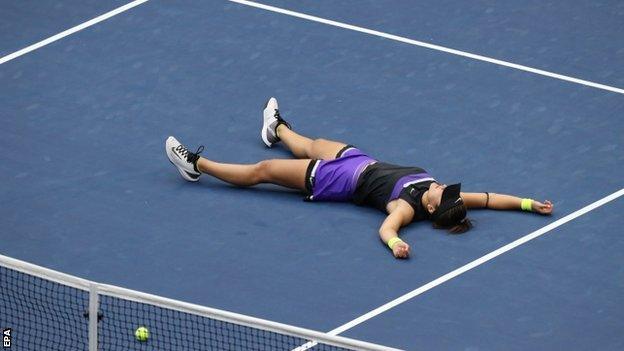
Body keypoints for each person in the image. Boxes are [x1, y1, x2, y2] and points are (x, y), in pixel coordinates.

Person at [165, 98, 553, 259]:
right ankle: (277, 130)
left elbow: (387, 229)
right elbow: (489, 197)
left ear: (432, 206)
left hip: (334, 181)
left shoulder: (405, 207)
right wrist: (527, 204)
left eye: (443, 192)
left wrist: (397, 243)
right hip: (359, 159)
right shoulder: (447, 199)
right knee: (311, 142)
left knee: (263, 172)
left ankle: (197, 165)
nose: (444, 186)